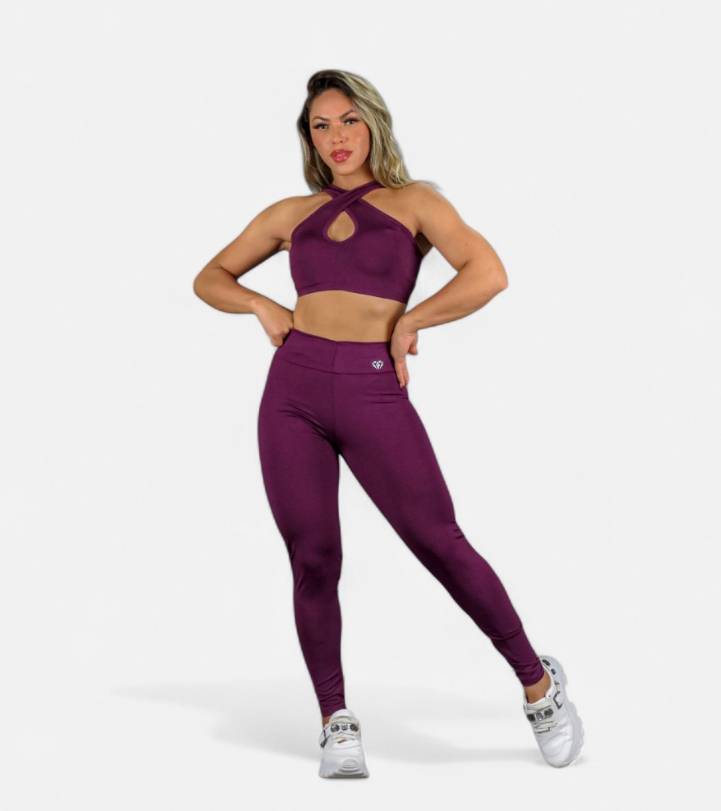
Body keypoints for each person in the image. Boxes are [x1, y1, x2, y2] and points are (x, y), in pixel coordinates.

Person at [193, 69, 584, 779]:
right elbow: (209, 277)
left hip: (372, 388)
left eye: (348, 120)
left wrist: (411, 320)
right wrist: (260, 304)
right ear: (309, 139)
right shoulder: (290, 213)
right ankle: (335, 719)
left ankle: (538, 685)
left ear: (373, 123)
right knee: (313, 556)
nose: (336, 137)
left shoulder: (415, 202)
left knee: (438, 540)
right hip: (293, 390)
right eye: (320, 126)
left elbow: (487, 273)